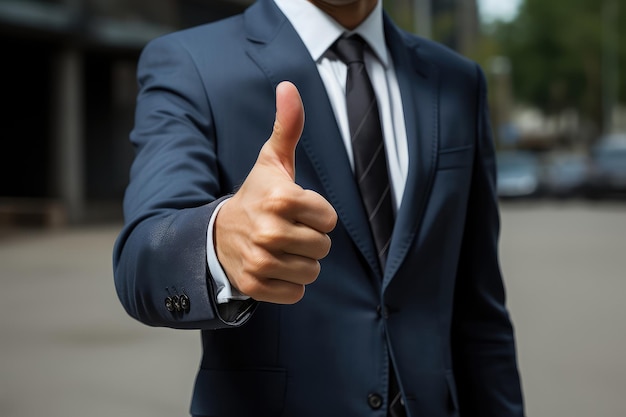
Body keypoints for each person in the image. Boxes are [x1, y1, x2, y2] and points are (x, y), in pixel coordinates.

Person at [113, 0, 525, 416]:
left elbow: (479, 315)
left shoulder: (457, 81)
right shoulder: (191, 62)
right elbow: (141, 257)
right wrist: (218, 242)